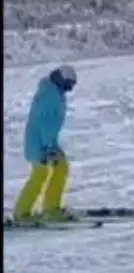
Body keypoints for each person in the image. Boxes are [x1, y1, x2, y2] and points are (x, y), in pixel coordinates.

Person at [14, 65, 77, 223]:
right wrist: (49, 147)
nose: (70, 89)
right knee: (41, 173)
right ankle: (23, 212)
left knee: (59, 167)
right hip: (39, 143)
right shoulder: (50, 95)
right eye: (69, 85)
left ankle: (50, 208)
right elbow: (45, 123)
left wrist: (51, 144)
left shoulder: (53, 92)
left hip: (43, 141)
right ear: (61, 80)